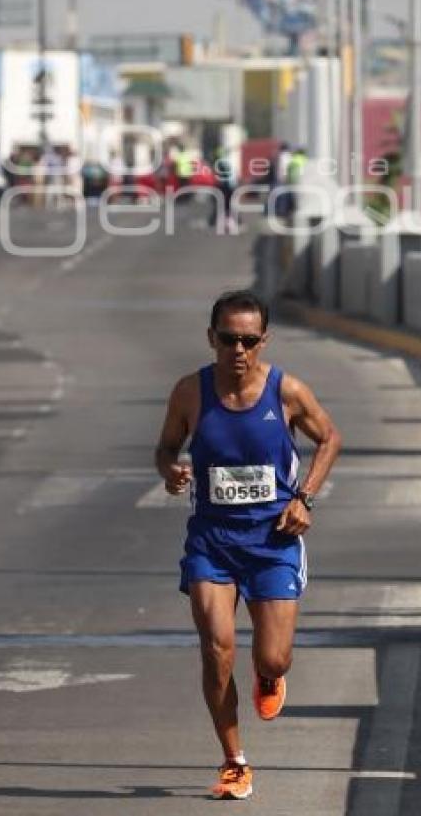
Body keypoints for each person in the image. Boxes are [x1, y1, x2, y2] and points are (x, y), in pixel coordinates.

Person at [154, 289, 342, 800]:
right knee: (216, 650)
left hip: (273, 540)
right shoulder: (190, 393)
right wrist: (169, 468)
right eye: (229, 339)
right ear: (211, 338)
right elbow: (166, 445)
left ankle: (268, 675)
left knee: (274, 657)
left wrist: (303, 497)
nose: (239, 350)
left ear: (264, 340)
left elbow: (329, 437)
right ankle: (234, 760)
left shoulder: (286, 392)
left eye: (249, 340)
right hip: (212, 542)